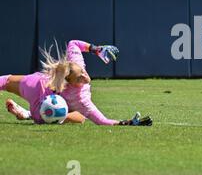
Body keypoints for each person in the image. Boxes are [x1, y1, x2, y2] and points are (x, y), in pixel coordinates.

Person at [1, 40, 152, 126]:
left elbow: (73, 43)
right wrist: (127, 123)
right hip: (37, 95)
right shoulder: (80, 99)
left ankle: (25, 114)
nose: (85, 77)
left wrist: (97, 49)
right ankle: (30, 114)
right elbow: (102, 121)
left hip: (42, 90)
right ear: (70, 82)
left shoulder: (76, 64)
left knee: (79, 118)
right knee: (79, 117)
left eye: (83, 73)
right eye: (79, 78)